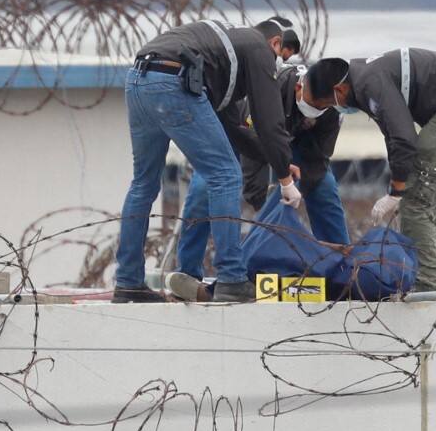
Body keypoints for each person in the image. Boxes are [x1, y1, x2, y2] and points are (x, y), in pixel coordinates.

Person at [112, 18, 302, 303]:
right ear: (275, 43)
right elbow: (268, 119)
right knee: (225, 176)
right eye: (279, 57)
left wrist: (278, 162)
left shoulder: (221, 55)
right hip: (174, 81)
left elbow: (234, 130)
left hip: (139, 81)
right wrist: (285, 181)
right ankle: (231, 278)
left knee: (143, 184)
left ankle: (128, 282)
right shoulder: (258, 48)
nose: (275, 66)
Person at [297, 50, 436, 297]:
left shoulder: (370, 83)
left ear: (339, 91)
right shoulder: (367, 78)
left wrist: (396, 191)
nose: (333, 110)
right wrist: (397, 186)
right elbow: (393, 136)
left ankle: (428, 284)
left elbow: (403, 138)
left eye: (328, 105)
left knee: (415, 199)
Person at [168, 63, 350, 300]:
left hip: (289, 142)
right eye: (313, 103)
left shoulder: (331, 110)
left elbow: (318, 160)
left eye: (323, 106)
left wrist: (291, 191)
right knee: (205, 185)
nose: (317, 109)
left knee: (324, 186)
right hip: (239, 134)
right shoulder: (269, 90)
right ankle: (189, 273)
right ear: (298, 88)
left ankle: (343, 272)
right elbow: (252, 155)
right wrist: (266, 210)